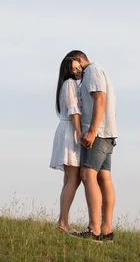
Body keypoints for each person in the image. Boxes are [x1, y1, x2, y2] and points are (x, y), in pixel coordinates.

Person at [67, 50, 118, 242]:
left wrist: (92, 130)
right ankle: (106, 231)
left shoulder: (92, 71)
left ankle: (94, 229)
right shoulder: (98, 70)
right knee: (104, 178)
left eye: (74, 68)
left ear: (78, 59)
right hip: (108, 133)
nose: (74, 74)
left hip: (97, 133)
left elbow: (100, 99)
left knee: (88, 175)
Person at [49, 56, 83, 233]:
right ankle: (63, 222)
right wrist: (78, 132)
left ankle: (63, 221)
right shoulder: (70, 84)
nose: (78, 71)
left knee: (69, 179)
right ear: (67, 71)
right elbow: (74, 110)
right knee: (73, 178)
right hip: (70, 130)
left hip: (66, 129)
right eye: (74, 69)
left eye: (79, 68)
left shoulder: (66, 85)